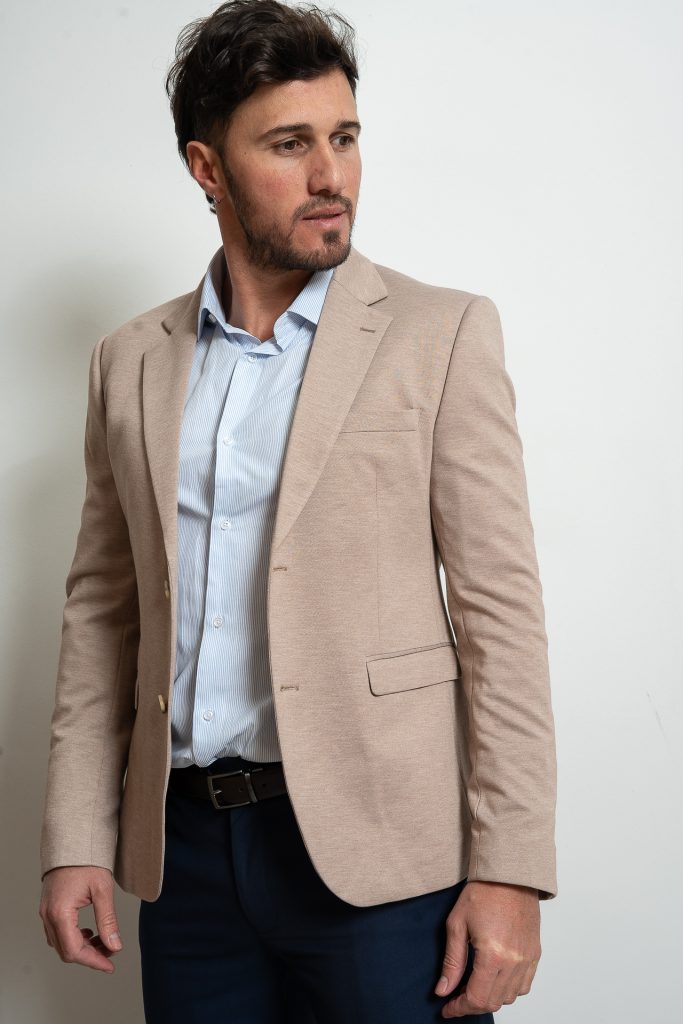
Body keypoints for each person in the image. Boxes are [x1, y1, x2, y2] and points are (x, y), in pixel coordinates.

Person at [38, 1, 558, 1021]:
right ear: (207, 168)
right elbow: (103, 614)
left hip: (384, 858)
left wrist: (511, 868)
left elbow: (500, 614)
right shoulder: (129, 361)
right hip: (185, 860)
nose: (332, 175)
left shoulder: (438, 334)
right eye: (289, 144)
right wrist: (74, 840)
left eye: (344, 137)